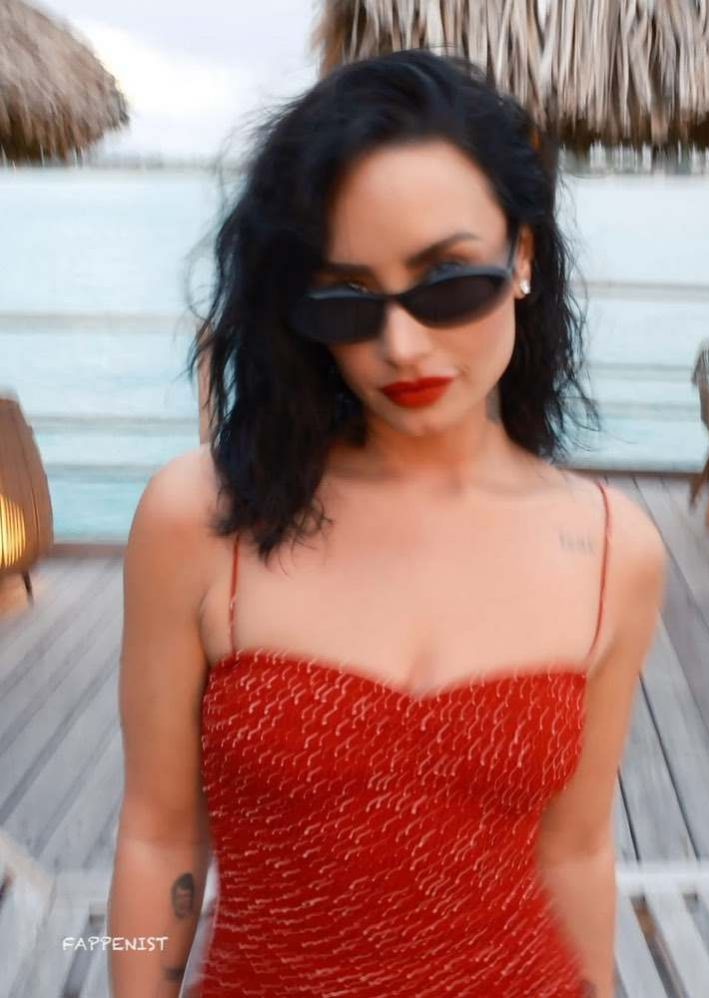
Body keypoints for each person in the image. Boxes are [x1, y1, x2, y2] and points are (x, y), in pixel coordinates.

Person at [107, 48, 666, 998]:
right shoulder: (202, 523)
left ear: (523, 258)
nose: (401, 345)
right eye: (347, 298)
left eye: (448, 280)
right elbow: (160, 836)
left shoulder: (615, 549)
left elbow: (575, 852)